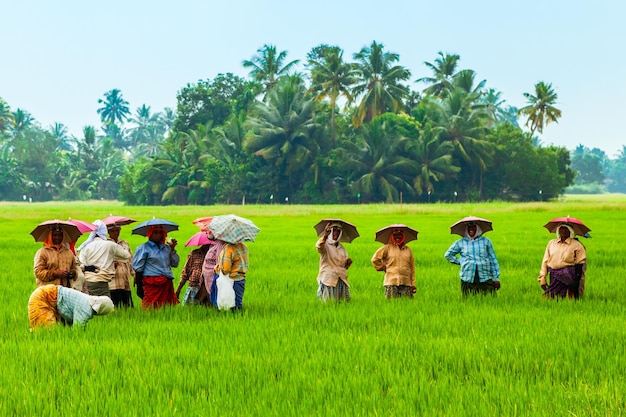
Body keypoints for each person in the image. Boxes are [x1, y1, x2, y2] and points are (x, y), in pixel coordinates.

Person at [444, 222, 501, 296]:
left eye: (474, 227)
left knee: (489, 301)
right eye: (469, 227)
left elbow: (493, 260)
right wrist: (461, 262)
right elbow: (448, 255)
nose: (471, 229)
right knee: (468, 302)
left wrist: (496, 278)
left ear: (478, 229)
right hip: (467, 278)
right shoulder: (460, 243)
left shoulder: (486, 241)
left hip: (485, 277)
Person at [77, 220, 131, 298]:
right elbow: (126, 256)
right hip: (101, 282)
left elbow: (81, 264)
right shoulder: (110, 245)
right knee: (104, 307)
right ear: (105, 231)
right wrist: (122, 248)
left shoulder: (86, 246)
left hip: (87, 282)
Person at [132, 225, 180, 309]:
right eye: (155, 232)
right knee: (151, 306)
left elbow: (175, 264)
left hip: (166, 282)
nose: (158, 235)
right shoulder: (143, 248)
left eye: (160, 233)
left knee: (167, 307)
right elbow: (138, 267)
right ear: (150, 234)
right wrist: (139, 285)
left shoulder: (166, 248)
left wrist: (172, 250)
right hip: (152, 282)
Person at [28, 284, 114, 330]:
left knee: (50, 331)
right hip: (43, 297)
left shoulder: (88, 301)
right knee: (47, 331)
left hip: (47, 292)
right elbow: (77, 329)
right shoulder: (86, 309)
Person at [538, 223, 587, 299]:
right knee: (551, 298)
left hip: (569, 277)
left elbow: (580, 265)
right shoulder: (551, 243)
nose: (563, 231)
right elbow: (545, 261)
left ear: (570, 231)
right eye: (561, 228)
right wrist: (542, 277)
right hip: (554, 276)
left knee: (570, 299)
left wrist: (576, 282)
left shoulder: (577, 245)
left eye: (565, 229)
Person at [371, 228, 416, 299]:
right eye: (395, 235)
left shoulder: (408, 250)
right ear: (392, 236)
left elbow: (412, 268)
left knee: (407, 306)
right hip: (391, 282)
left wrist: (413, 284)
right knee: (391, 305)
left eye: (400, 235)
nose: (397, 237)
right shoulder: (387, 248)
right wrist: (382, 267)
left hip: (406, 282)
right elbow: (375, 259)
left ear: (403, 236)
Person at [315, 222, 352, 302]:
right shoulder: (325, 244)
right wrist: (324, 236)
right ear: (330, 231)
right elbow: (318, 247)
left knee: (342, 303)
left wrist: (347, 263)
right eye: (334, 230)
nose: (336, 233)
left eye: (338, 231)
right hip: (328, 278)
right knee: (328, 302)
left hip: (340, 278)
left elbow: (342, 265)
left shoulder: (341, 248)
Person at [107, 223, 135, 307]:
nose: (115, 233)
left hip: (125, 280)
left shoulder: (124, 243)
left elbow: (131, 260)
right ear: (108, 232)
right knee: (115, 306)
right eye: (113, 231)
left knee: (128, 306)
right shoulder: (106, 244)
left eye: (117, 230)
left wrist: (134, 274)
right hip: (113, 282)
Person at [215, 240, 248, 310]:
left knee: (230, 302)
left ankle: (231, 317)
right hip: (241, 278)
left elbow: (225, 270)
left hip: (231, 280)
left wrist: (217, 267)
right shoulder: (243, 246)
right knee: (238, 302)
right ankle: (239, 317)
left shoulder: (229, 248)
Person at [202, 233, 225, 307]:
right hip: (208, 276)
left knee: (216, 296)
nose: (206, 233)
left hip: (214, 275)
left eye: (209, 231)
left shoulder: (219, 244)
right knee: (212, 295)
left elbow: (219, 262)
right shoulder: (213, 244)